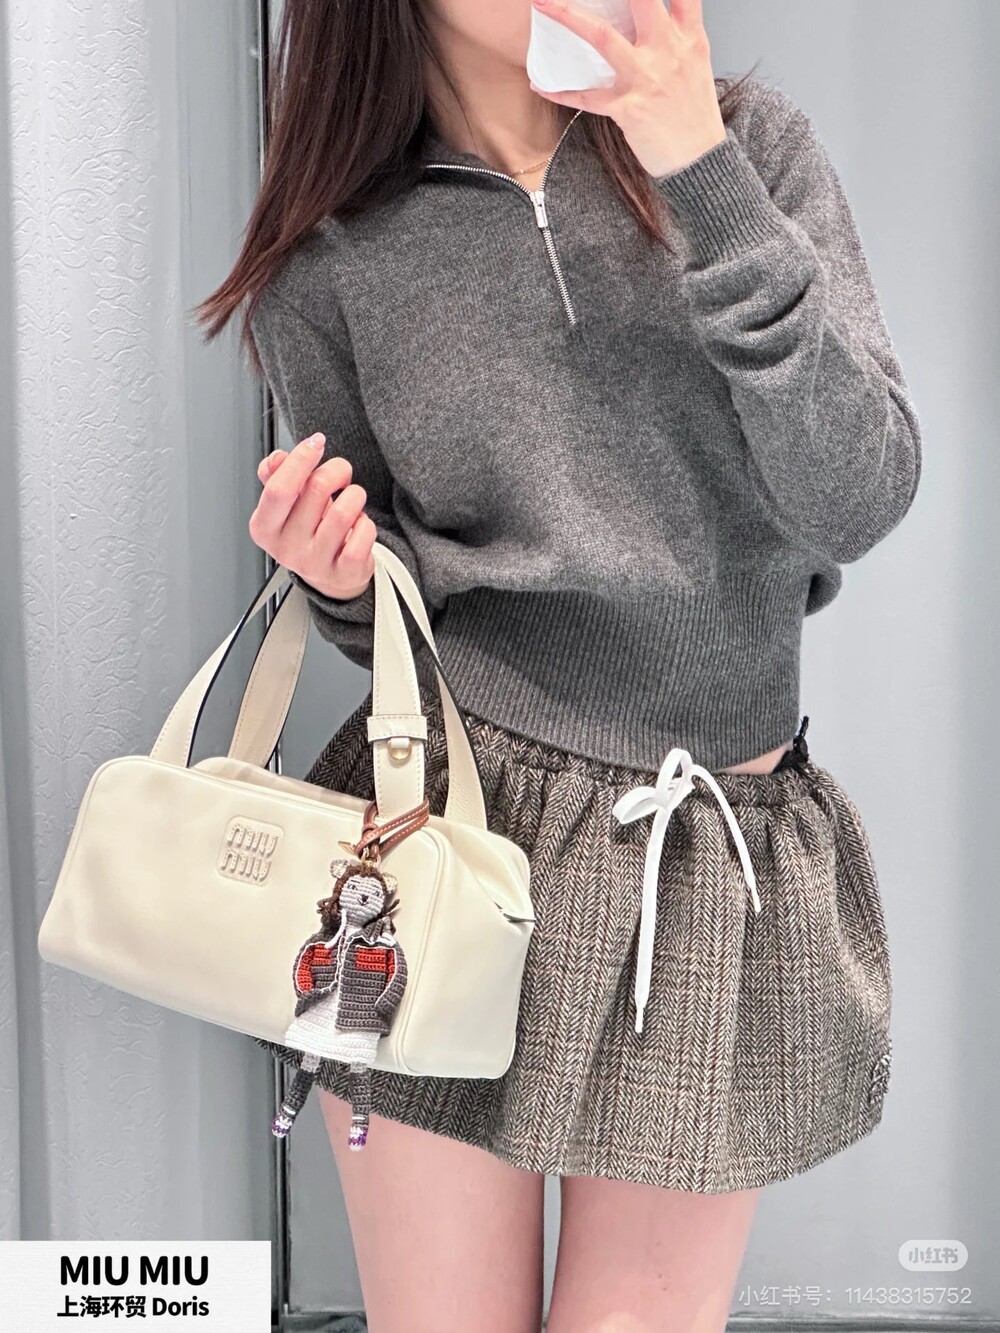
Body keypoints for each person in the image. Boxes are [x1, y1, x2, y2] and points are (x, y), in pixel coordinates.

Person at [194, 1, 921, 1329]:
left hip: (697, 853)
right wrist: (340, 576)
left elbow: (860, 494)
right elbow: (390, 616)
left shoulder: (750, 149)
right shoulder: (336, 248)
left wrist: (702, 174)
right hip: (435, 841)